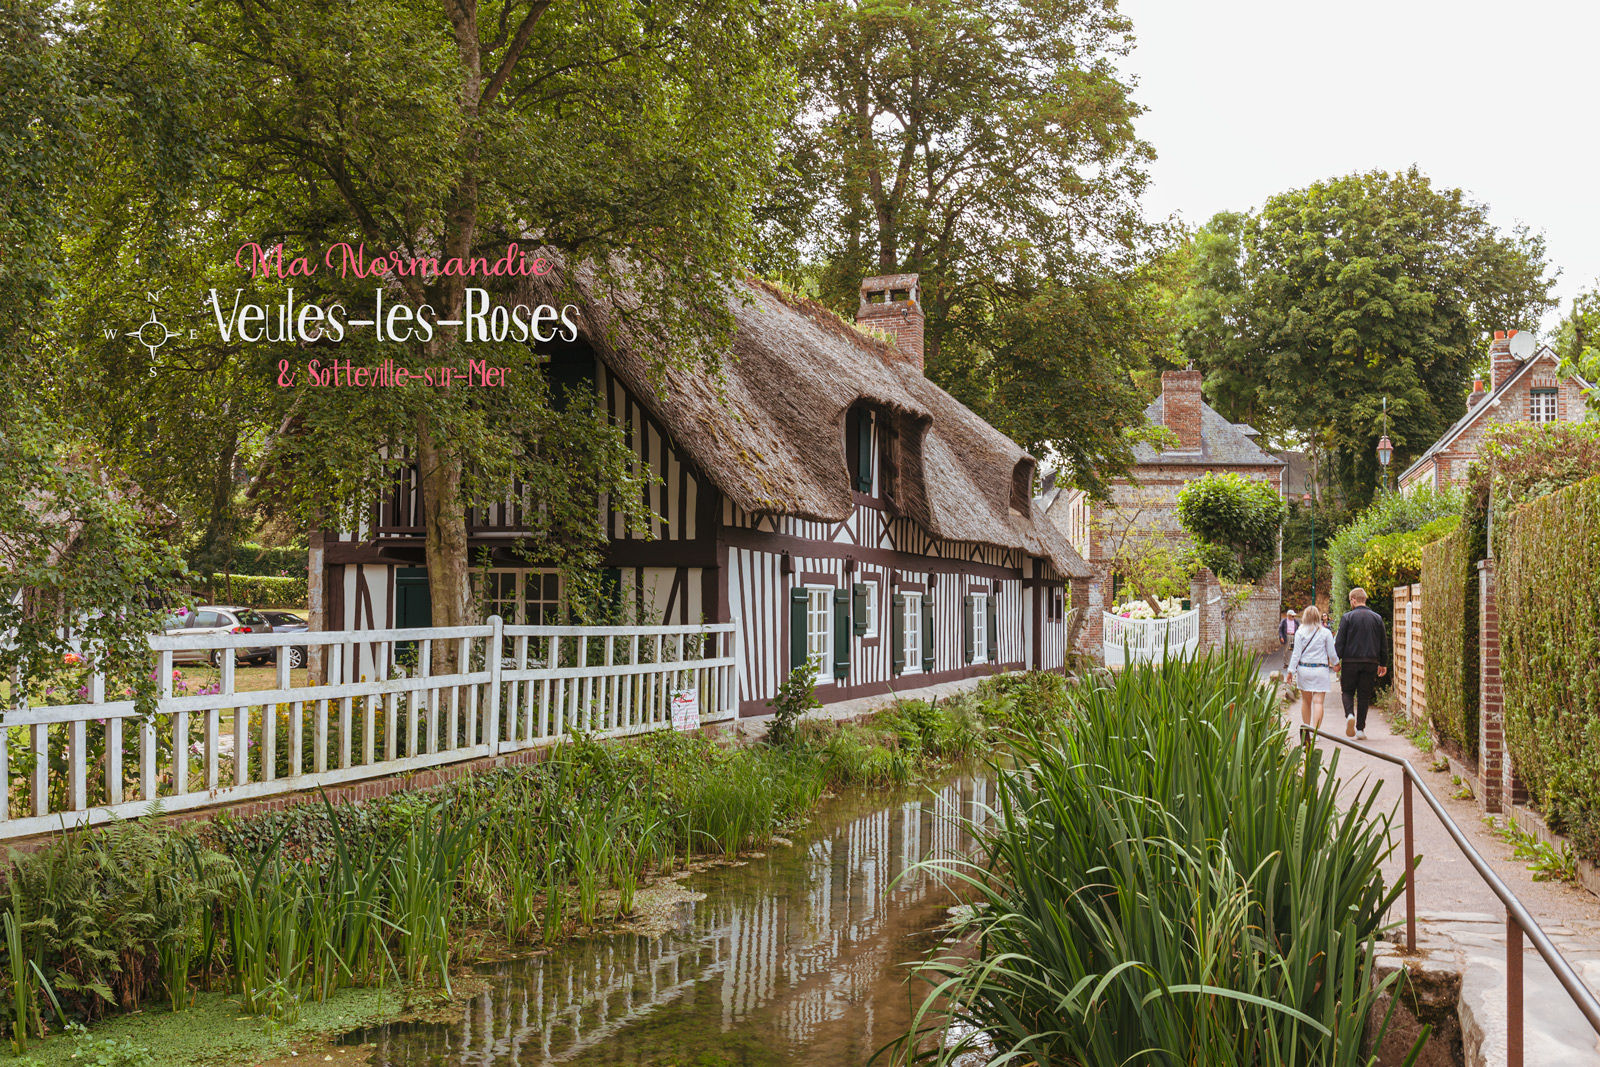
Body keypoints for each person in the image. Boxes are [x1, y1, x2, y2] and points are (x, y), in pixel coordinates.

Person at [1334, 587, 1388, 740]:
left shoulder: (1347, 618)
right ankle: (1360, 730)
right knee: (1364, 696)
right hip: (1370, 662)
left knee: (1347, 692)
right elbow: (1383, 642)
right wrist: (1383, 662)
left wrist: (1336, 661)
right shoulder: (1377, 618)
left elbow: (1340, 642)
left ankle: (1349, 714)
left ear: (1353, 600)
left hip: (1350, 661)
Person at [1287, 605, 1338, 733]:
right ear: (1317, 617)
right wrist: (1336, 664)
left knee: (1306, 701)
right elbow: (1331, 653)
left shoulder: (1300, 632)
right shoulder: (1325, 632)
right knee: (1318, 702)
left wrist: (1290, 671)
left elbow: (1296, 654)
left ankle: (1307, 730)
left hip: (1304, 669)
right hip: (1320, 669)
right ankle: (1316, 733)